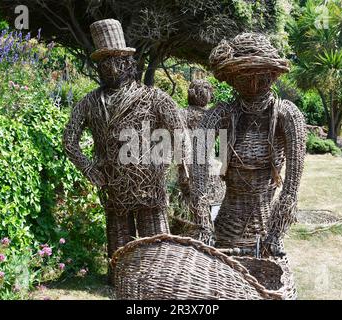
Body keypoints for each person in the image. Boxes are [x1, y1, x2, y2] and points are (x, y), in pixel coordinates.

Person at [63, 19, 188, 264]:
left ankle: (159, 277)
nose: (110, 66)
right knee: (120, 251)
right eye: (104, 61)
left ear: (127, 61)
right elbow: (69, 140)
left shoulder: (151, 97)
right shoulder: (90, 102)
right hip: (112, 185)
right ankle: (121, 277)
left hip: (148, 185)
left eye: (116, 59)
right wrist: (89, 169)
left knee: (157, 248)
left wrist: (175, 166)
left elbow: (179, 130)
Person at [194, 33, 306, 299]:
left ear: (272, 74)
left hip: (267, 224)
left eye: (261, 74)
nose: (254, 83)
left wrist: (276, 232)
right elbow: (198, 163)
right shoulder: (221, 113)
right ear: (232, 78)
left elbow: (292, 186)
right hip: (228, 221)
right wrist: (203, 224)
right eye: (245, 76)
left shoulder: (287, 115)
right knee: (220, 287)